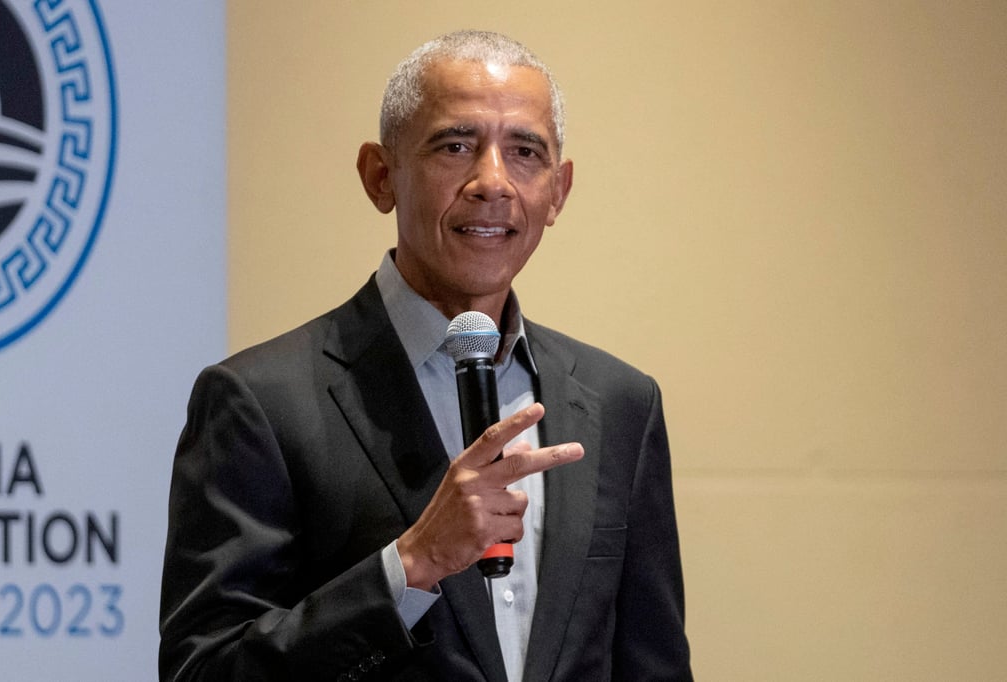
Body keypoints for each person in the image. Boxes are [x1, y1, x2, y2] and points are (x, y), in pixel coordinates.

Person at [159, 30, 692, 681]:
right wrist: (409, 567)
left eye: (525, 152)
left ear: (559, 191)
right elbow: (202, 670)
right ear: (379, 175)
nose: (491, 181)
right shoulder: (259, 403)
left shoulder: (620, 403)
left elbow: (651, 664)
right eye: (455, 145)